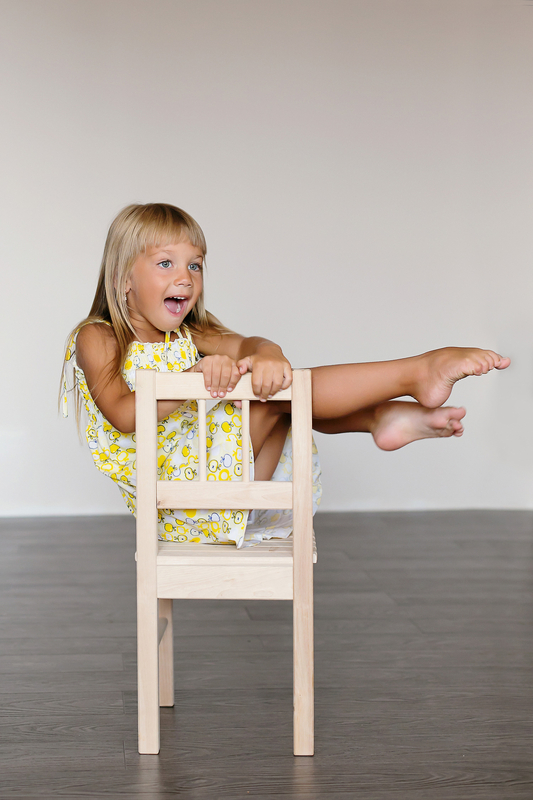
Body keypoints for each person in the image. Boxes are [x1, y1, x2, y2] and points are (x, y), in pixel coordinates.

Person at [61, 203, 510, 547]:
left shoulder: (191, 333)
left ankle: (384, 414)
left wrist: (268, 354)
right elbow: (123, 414)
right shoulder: (98, 337)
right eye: (166, 263)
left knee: (272, 386)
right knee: (267, 397)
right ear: (123, 278)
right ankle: (407, 382)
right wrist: (196, 378)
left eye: (194, 264)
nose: (186, 277)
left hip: (227, 487)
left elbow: (249, 346)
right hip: (180, 505)